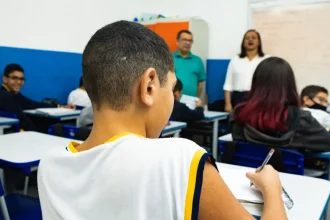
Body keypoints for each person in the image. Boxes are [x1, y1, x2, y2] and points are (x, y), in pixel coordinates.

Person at [38, 21, 287, 220]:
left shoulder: (49, 165)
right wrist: (272, 190)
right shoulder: (179, 158)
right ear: (149, 87)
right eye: (171, 87)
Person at [230, 57, 330, 170]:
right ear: (289, 85)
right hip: (285, 184)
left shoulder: (239, 114)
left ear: (256, 82)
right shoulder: (301, 119)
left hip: (246, 180)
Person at [0, 64, 73, 131]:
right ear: (5, 79)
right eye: (14, 78)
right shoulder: (6, 96)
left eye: (21, 79)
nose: (19, 82)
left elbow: (33, 104)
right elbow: (22, 121)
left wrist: (59, 106)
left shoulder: (14, 95)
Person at [223, 29, 271, 113]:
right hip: (239, 98)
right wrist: (227, 104)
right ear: (243, 43)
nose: (250, 40)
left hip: (259, 98)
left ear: (259, 42)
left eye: (253, 38)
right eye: (247, 38)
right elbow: (228, 84)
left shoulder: (266, 59)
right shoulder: (235, 60)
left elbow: (271, 84)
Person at [173, 30, 206, 98]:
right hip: (173, 102)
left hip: (191, 102)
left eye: (190, 41)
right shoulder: (169, 58)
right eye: (184, 40)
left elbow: (200, 84)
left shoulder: (198, 61)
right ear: (177, 41)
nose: (187, 43)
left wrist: (196, 99)